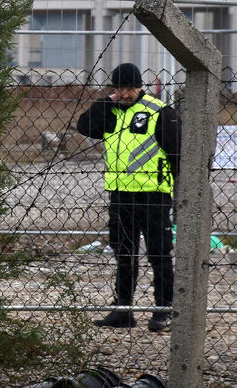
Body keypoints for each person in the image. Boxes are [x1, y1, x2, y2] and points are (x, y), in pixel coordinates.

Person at [76, 62, 180, 332]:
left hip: (153, 196)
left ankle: (163, 310)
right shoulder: (111, 111)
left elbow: (176, 155)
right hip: (121, 196)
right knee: (124, 254)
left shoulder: (160, 112)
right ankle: (123, 311)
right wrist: (104, 102)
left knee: (159, 254)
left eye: (129, 88)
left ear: (139, 87)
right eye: (119, 88)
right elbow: (84, 126)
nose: (124, 94)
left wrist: (175, 193)